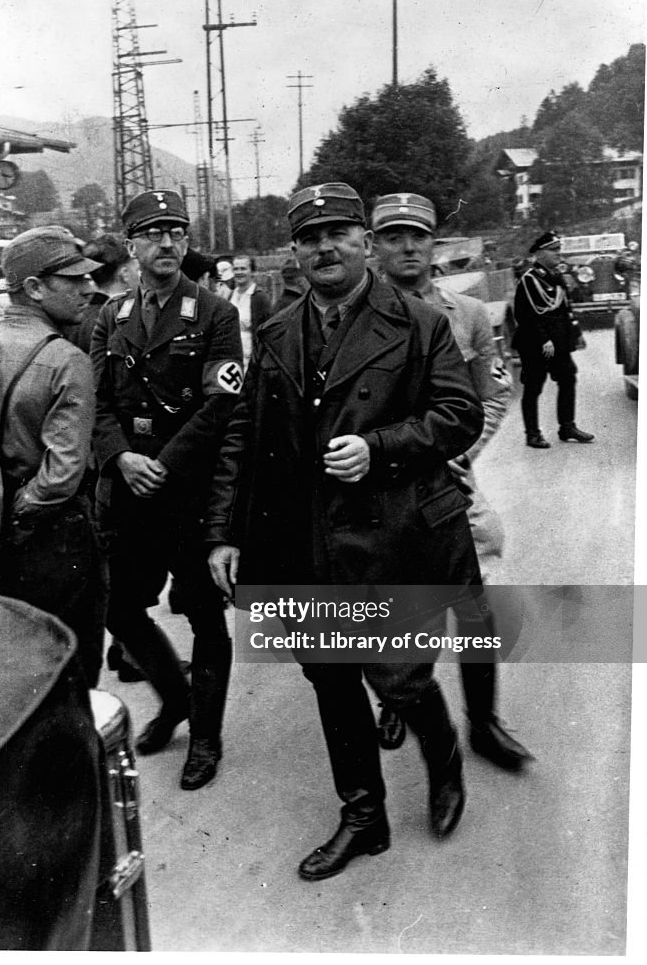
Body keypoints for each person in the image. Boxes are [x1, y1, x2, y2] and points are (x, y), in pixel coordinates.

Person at [206, 182, 485, 881]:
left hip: (385, 531)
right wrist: (224, 533)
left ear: (365, 242)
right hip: (300, 537)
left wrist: (381, 447)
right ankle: (364, 815)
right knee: (329, 677)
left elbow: (459, 414)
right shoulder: (274, 329)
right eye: (309, 237)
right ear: (293, 252)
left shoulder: (419, 324)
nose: (324, 248)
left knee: (397, 679)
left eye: (338, 233)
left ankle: (444, 759)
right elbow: (244, 434)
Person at [371, 192, 533, 771]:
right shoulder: (358, 315)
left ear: (433, 244)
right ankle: (401, 696)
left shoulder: (464, 314)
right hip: (380, 486)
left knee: (475, 601)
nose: (409, 247)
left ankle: (484, 722)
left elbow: (493, 395)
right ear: (375, 247)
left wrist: (461, 453)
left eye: (419, 236)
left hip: (447, 480)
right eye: (394, 237)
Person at [91, 188, 243, 790]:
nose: (167, 244)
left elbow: (222, 405)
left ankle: (205, 736)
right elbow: (100, 402)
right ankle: (176, 699)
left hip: (191, 493)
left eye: (177, 232)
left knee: (206, 617)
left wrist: (164, 464)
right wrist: (122, 457)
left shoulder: (214, 314)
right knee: (122, 609)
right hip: (131, 491)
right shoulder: (114, 316)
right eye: (153, 234)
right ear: (131, 247)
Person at [0, 227, 105, 687]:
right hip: (53, 540)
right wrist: (21, 515)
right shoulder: (67, 360)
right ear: (33, 288)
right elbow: (62, 474)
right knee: (72, 675)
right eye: (73, 280)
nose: (88, 288)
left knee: (11, 680)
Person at [512, 231, 594, 449]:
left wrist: (576, 335)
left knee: (568, 379)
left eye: (559, 249)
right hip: (536, 344)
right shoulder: (529, 279)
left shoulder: (556, 277)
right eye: (553, 250)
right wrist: (544, 339)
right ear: (540, 253)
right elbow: (525, 315)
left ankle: (567, 427)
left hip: (559, 342)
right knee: (533, 387)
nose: (559, 254)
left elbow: (565, 309)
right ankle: (532, 434)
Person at [229, 255, 272, 370]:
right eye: (236, 269)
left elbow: (266, 333)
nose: (239, 272)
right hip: (232, 358)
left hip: (252, 360)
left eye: (243, 268)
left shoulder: (259, 298)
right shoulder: (230, 296)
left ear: (252, 272)